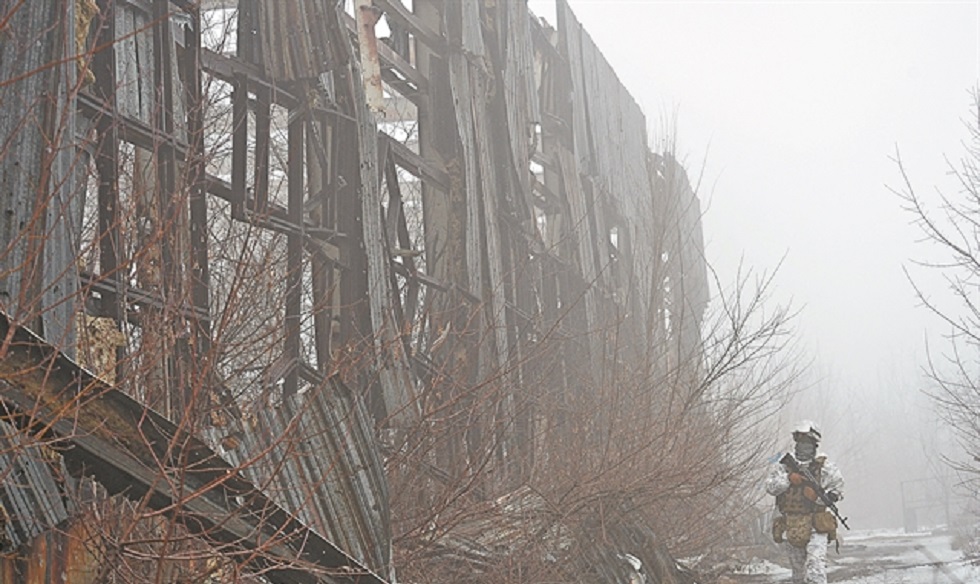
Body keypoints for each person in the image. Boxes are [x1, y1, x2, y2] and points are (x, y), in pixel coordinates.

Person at [765, 420, 844, 584]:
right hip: (791, 524)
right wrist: (789, 479)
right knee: (798, 572)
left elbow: (838, 490)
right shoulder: (784, 466)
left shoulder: (826, 467)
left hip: (816, 524)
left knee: (816, 566)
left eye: (807, 443)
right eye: (800, 442)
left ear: (815, 444)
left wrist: (822, 497)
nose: (803, 446)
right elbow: (770, 487)